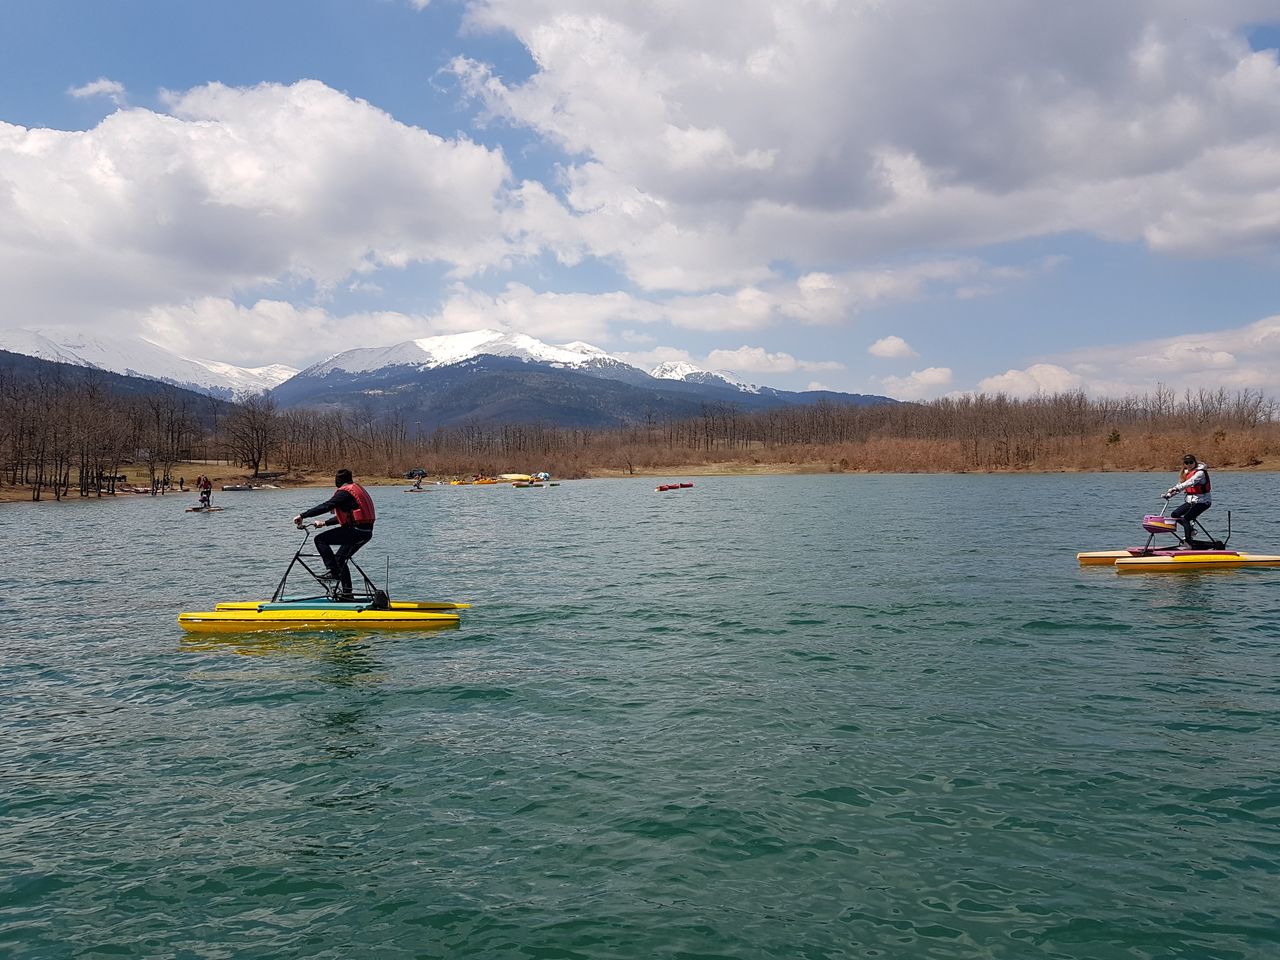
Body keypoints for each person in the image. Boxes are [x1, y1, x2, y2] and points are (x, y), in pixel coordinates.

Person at [293, 468, 376, 599]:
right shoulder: (354, 491)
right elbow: (349, 517)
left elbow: (327, 506)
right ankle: (347, 594)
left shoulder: (344, 493)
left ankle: (333, 573)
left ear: (339, 480)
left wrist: (303, 515)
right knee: (340, 560)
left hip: (355, 532)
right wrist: (324, 523)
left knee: (320, 540)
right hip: (365, 533)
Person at [1164, 453, 1211, 546]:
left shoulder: (1200, 473)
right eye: (1186, 463)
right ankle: (1191, 530)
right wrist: (1169, 494)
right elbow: (1180, 485)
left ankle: (1188, 543)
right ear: (1184, 464)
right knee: (1174, 515)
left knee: (1186, 519)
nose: (1189, 464)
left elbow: (1190, 482)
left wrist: (1176, 488)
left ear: (1195, 462)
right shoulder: (1186, 473)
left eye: (1191, 462)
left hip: (1203, 502)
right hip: (1191, 501)